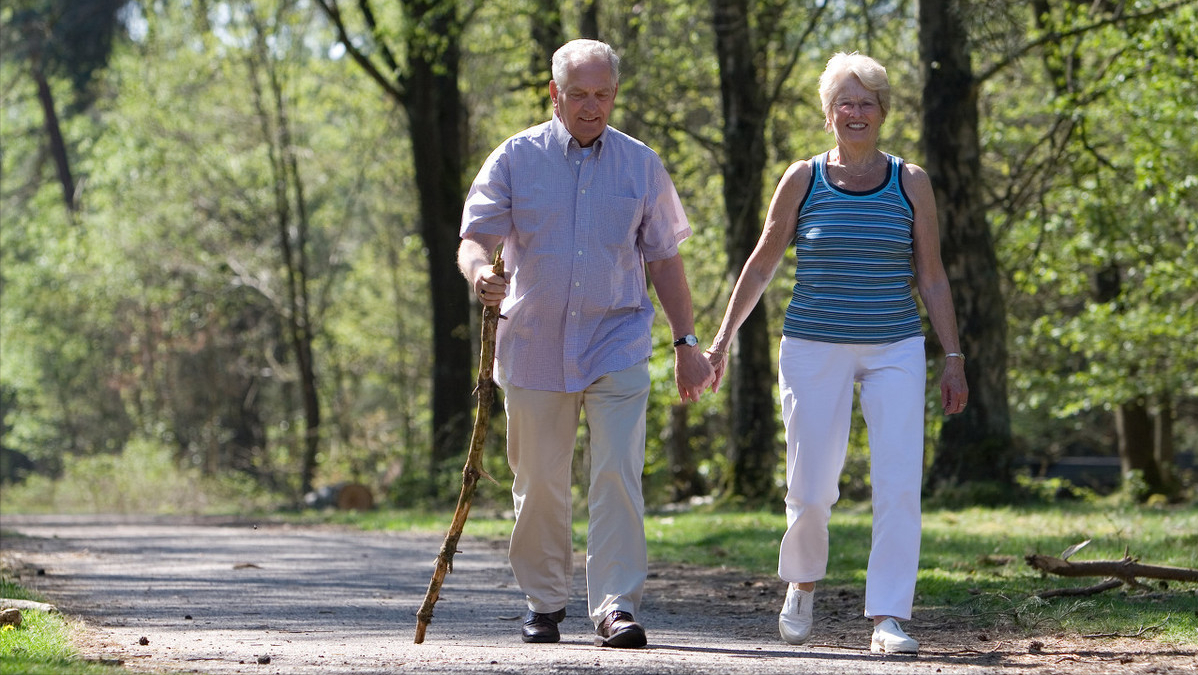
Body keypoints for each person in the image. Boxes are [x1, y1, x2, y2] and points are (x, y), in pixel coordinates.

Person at [704, 52, 968, 654]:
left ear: (882, 113)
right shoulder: (803, 178)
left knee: (899, 480)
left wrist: (953, 356)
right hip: (813, 346)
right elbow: (764, 261)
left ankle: (889, 617)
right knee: (813, 483)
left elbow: (931, 275)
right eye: (845, 103)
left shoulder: (911, 181)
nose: (856, 112)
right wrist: (722, 340)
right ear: (828, 115)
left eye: (867, 102)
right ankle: (801, 581)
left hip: (895, 344)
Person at [457, 38, 714, 649]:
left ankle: (616, 606)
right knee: (540, 480)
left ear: (615, 94)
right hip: (533, 345)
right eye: (579, 94)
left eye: (602, 94)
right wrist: (478, 276)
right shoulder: (515, 158)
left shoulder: (641, 165)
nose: (592, 106)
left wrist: (686, 341)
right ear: (555, 95)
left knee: (617, 475)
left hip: (616, 340)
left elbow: (665, 260)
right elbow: (474, 237)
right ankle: (545, 602)